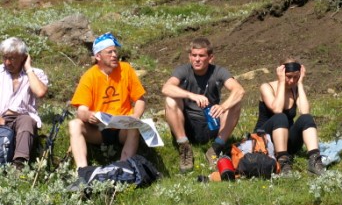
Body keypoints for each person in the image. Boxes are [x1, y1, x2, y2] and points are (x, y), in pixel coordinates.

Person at [162, 37, 244, 172]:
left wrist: (223, 106)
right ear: (189, 57)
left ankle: (216, 148)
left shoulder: (219, 71)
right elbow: (166, 88)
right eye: (194, 55)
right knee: (170, 100)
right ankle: (184, 148)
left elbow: (239, 90)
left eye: (201, 56)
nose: (197, 59)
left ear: (210, 58)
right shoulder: (183, 70)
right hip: (188, 125)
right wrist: (191, 95)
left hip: (211, 122)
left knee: (236, 103)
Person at [68, 33, 146, 173]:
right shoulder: (89, 76)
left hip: (123, 128)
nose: (114, 55)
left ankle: (124, 168)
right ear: (98, 56)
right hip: (99, 129)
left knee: (135, 125)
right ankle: (83, 171)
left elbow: (140, 99)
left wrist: (136, 116)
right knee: (74, 124)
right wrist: (89, 115)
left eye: (115, 51)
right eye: (109, 52)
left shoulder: (126, 69)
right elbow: (81, 110)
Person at [255, 58, 326, 175]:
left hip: (286, 141)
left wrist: (300, 84)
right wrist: (281, 82)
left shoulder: (295, 89)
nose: (292, 81)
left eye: (295, 77)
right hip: (264, 140)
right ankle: (283, 164)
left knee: (307, 118)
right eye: (288, 76)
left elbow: (305, 112)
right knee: (280, 117)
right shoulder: (266, 87)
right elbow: (277, 109)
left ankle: (314, 160)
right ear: (281, 73)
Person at [0, 38, 48, 167]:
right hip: (1, 117)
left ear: (23, 57)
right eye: (5, 57)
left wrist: (28, 68)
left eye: (12, 58)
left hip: (22, 118)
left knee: (26, 120)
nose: (7, 62)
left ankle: (19, 164)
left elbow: (40, 92)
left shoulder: (35, 74)